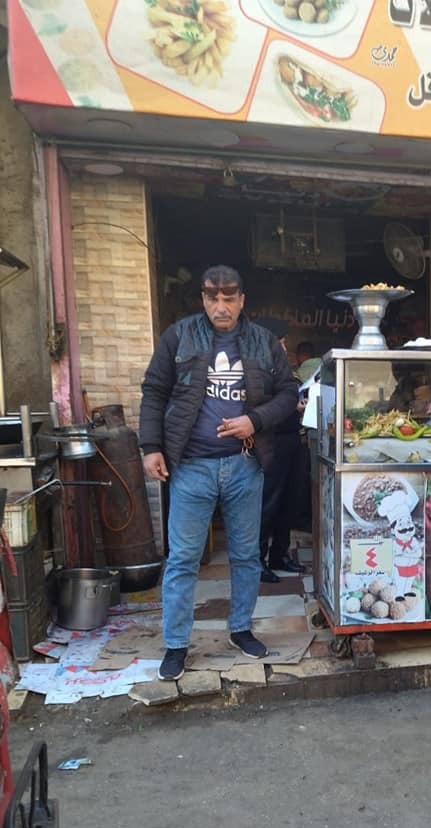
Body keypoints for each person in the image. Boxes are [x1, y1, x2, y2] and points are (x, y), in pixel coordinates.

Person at [139, 266, 298, 681]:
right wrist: (151, 446)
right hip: (191, 466)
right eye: (213, 298)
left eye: (229, 298)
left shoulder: (263, 342)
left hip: (245, 464)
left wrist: (254, 420)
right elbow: (154, 390)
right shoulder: (178, 336)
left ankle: (240, 629)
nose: (221, 306)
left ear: (242, 300)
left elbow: (288, 393)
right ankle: (176, 644)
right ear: (204, 300)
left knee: (246, 556)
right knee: (183, 559)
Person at [253, 315, 306, 584]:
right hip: (271, 443)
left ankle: (279, 555)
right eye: (281, 342)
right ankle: (257, 561)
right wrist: (289, 404)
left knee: (290, 501)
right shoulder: (258, 369)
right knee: (268, 503)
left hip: (293, 440)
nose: (285, 347)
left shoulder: (285, 369)